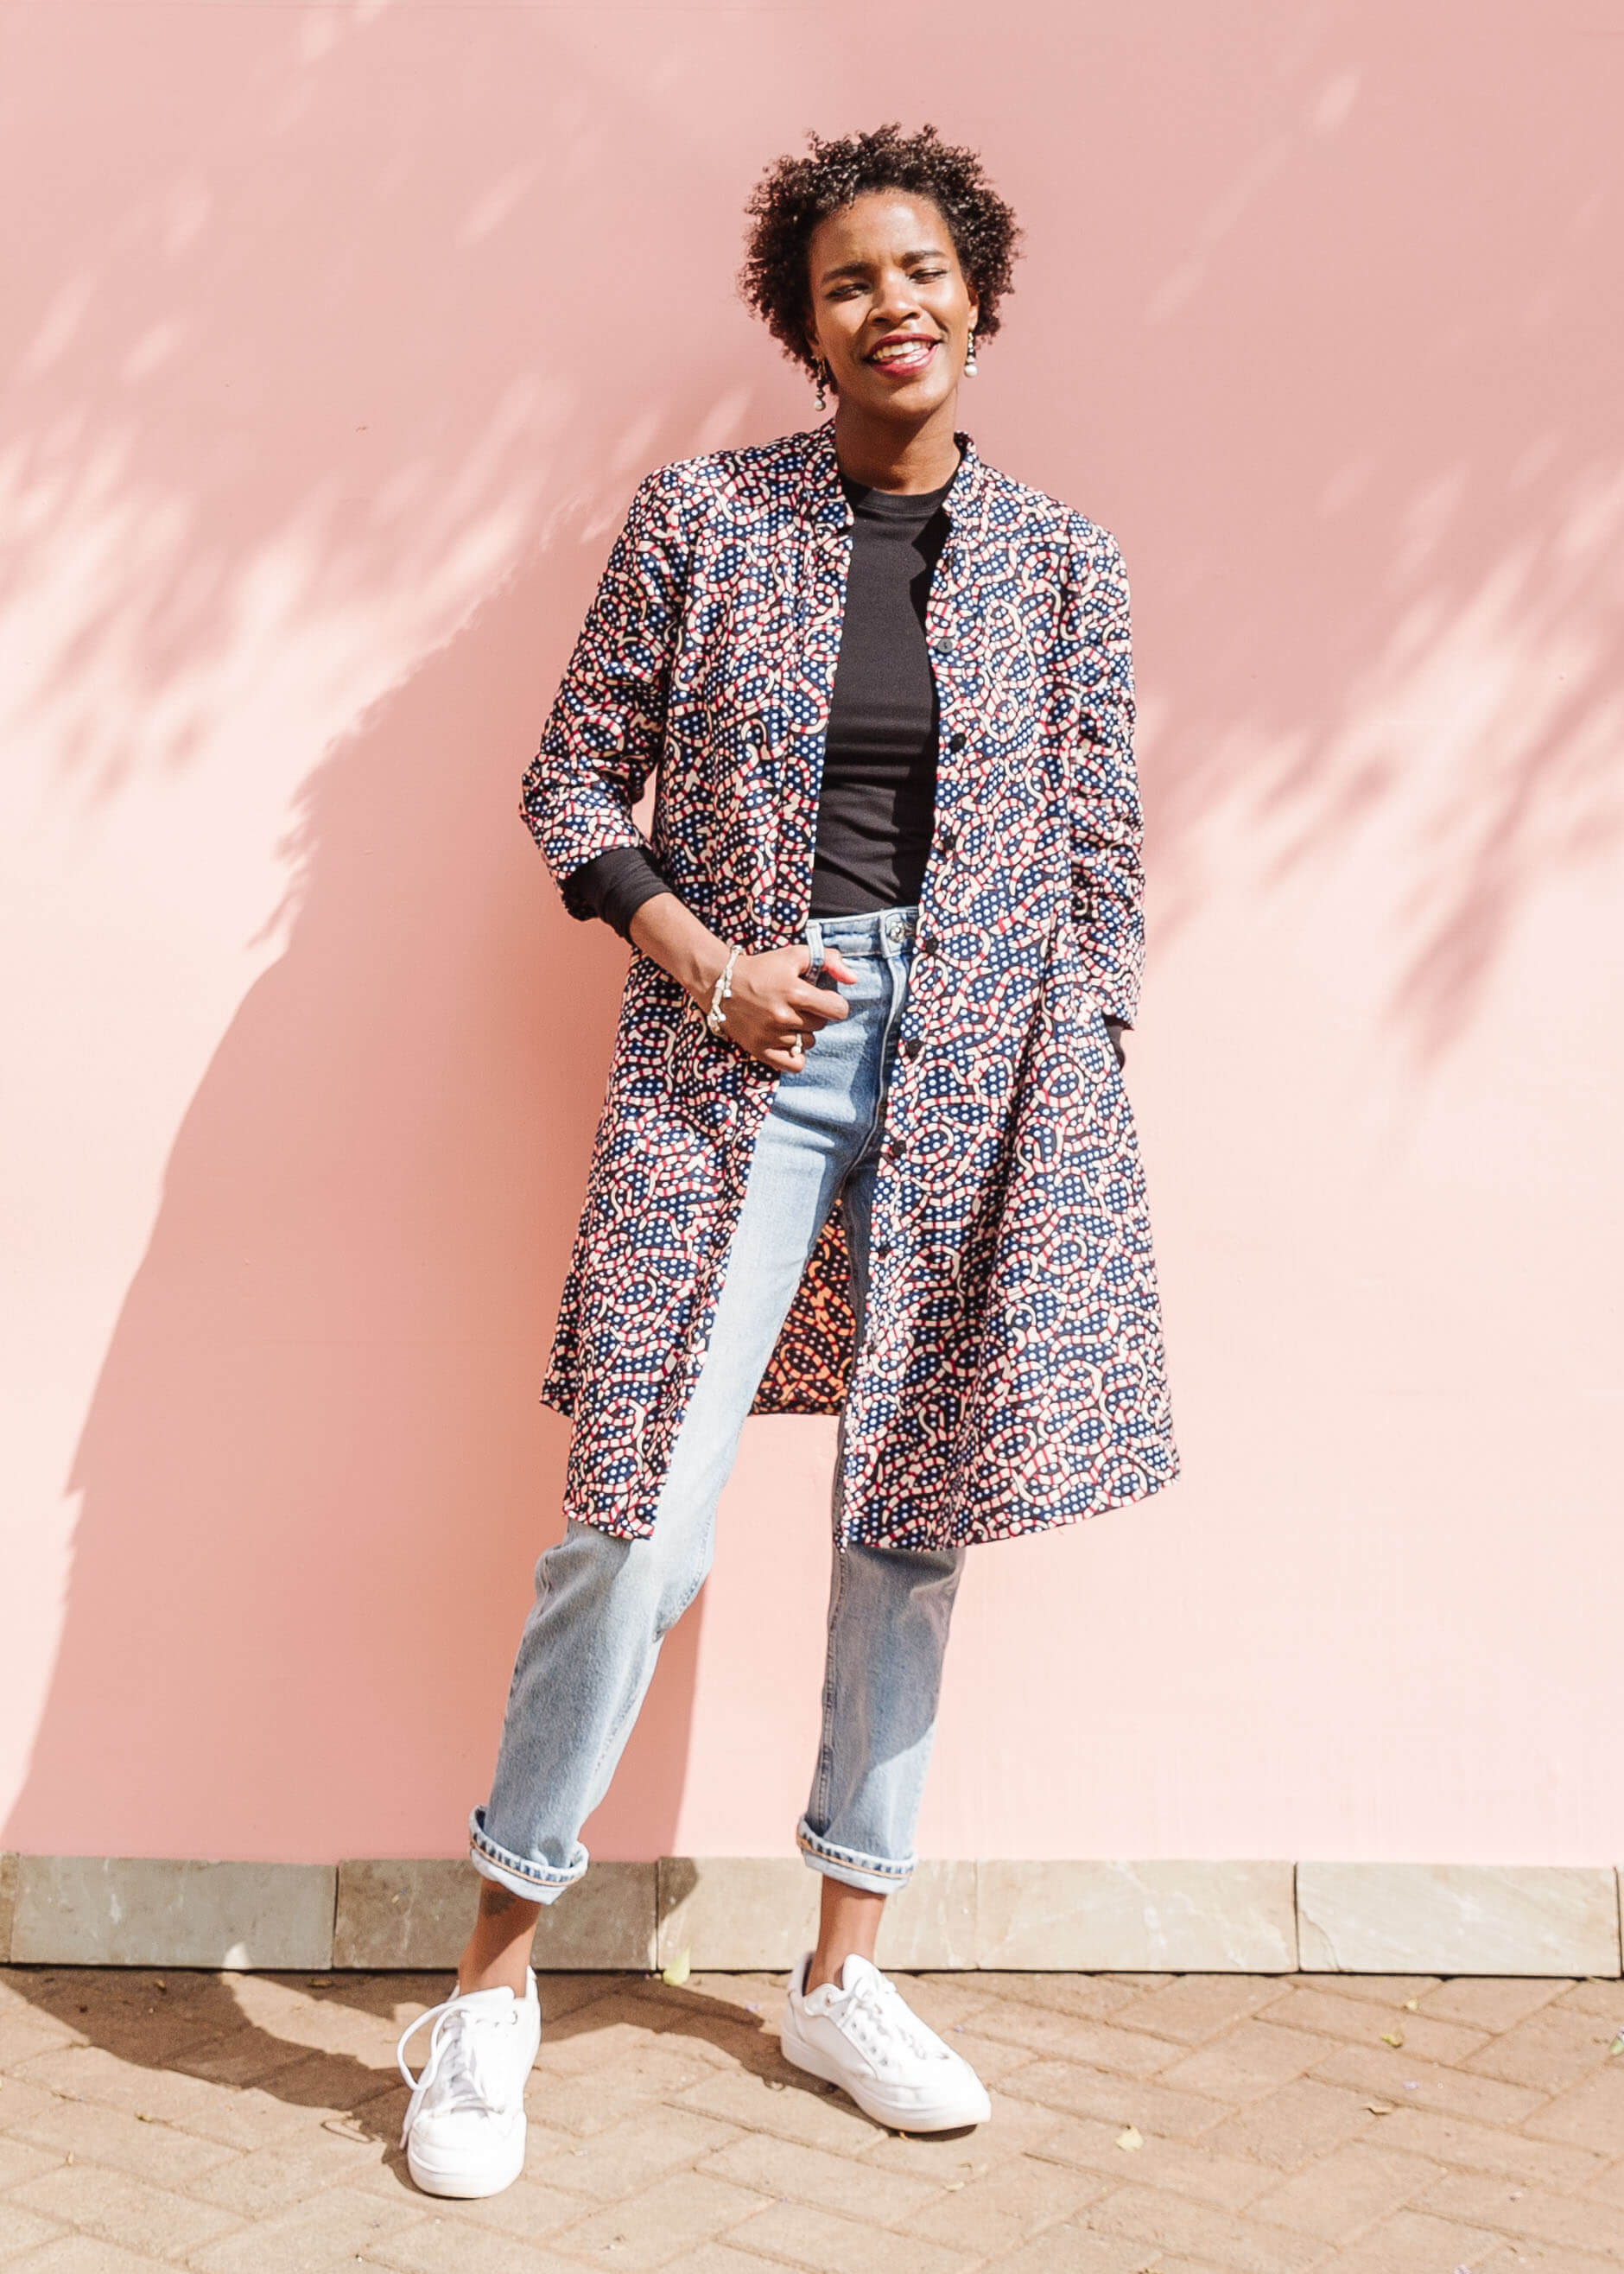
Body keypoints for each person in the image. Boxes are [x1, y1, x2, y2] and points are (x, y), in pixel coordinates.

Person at [396, 122, 1177, 2201]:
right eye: (848, 279)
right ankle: (481, 1990)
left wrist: (1070, 1039)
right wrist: (705, 962)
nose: (891, 303)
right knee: (635, 1515)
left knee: (911, 1518)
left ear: (978, 296)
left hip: (984, 1066)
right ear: (801, 320)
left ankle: (844, 1962)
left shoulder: (1067, 561)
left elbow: (1104, 843)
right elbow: (572, 771)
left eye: (922, 268)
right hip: (748, 1040)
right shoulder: (704, 518)